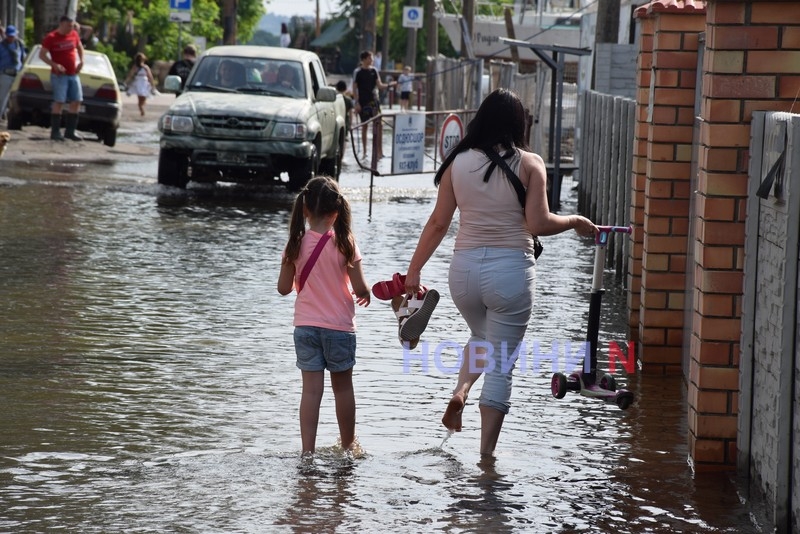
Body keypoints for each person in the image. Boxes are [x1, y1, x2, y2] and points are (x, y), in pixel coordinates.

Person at [402, 89, 597, 456]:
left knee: (480, 334)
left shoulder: (457, 163)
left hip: (463, 274)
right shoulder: (530, 163)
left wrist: (414, 270)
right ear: (518, 123)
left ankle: (460, 391)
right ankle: (486, 460)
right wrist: (574, 221)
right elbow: (537, 223)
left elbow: (438, 224)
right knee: (502, 364)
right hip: (510, 272)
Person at [277, 176, 371, 456]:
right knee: (342, 390)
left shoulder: (295, 244)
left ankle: (307, 453)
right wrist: (366, 292)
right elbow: (360, 288)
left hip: (305, 327)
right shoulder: (345, 242)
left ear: (305, 209)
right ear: (337, 211)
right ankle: (347, 446)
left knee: (310, 392)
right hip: (340, 328)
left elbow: (283, 288)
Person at [40, 16, 84, 141]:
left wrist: (81, 61)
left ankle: (70, 131)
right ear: (62, 24)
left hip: (73, 74)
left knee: (77, 100)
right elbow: (42, 55)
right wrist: (54, 64)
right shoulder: (51, 37)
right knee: (59, 101)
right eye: (69, 26)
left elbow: (80, 47)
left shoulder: (74, 34)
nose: (71, 28)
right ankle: (55, 132)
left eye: (72, 26)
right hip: (59, 75)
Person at [352, 50, 395, 159]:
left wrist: (390, 85)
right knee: (365, 126)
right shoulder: (358, 72)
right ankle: (365, 152)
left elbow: (380, 85)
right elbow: (354, 88)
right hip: (363, 102)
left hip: (374, 102)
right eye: (370, 58)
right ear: (365, 59)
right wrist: (356, 103)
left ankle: (379, 151)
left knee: (379, 125)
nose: (372, 60)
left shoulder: (374, 70)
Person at [0, 24, 26, 119]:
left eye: (12, 36)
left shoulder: (20, 45)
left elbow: (23, 58)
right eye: (9, 36)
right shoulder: (1, 46)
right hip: (5, 74)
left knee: (15, 98)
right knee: (2, 97)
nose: (11, 38)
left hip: (17, 74)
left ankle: (11, 116)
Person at [124, 52, 156, 117]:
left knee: (141, 98)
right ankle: (142, 109)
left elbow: (130, 75)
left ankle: (141, 108)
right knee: (143, 98)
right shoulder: (145, 67)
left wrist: (126, 81)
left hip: (139, 82)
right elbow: (150, 77)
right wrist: (153, 85)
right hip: (143, 82)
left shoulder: (137, 67)